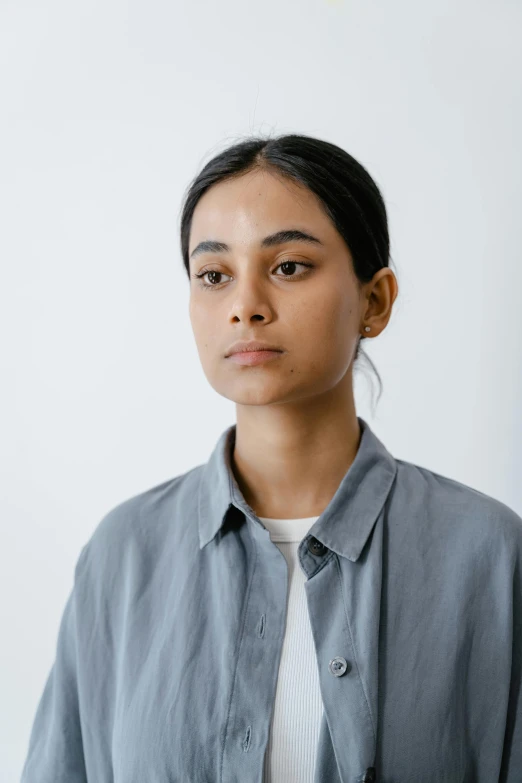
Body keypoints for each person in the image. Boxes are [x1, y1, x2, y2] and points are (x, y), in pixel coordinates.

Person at [20, 133, 522, 783]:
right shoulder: (124, 554)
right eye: (214, 275)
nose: (245, 306)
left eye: (288, 266)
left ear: (375, 301)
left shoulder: (489, 556)